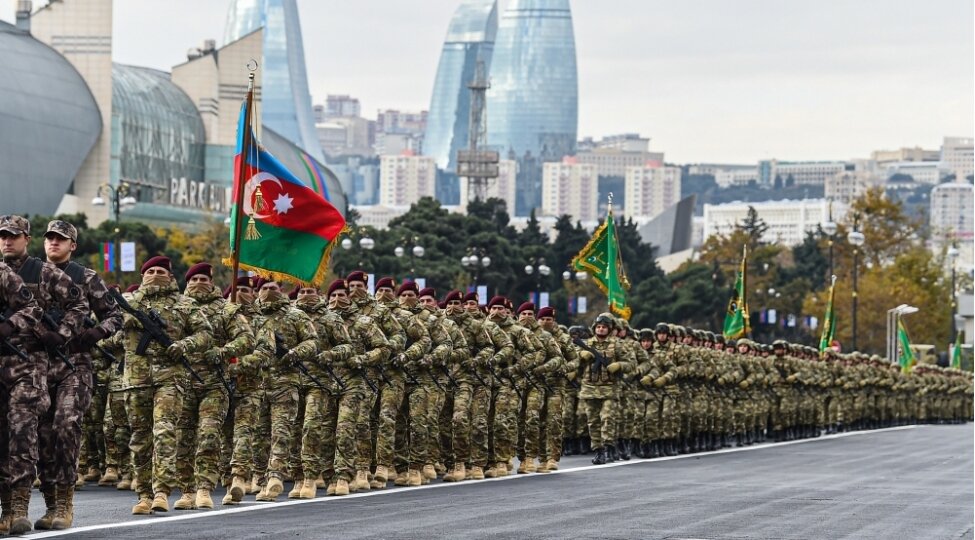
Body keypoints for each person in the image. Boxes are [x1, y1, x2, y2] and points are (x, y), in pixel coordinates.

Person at [0, 215, 88, 534]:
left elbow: (79, 306)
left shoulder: (44, 271)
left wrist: (61, 333)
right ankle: (7, 510)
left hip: (32, 365)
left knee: (27, 433)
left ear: (26, 238)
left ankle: (27, 507)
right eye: (2, 236)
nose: (7, 241)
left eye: (13, 236)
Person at [37, 220, 122, 530]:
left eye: (61, 239)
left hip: (75, 365)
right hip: (37, 366)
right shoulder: (30, 278)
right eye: (49, 239)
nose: (53, 244)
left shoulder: (85, 278)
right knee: (42, 437)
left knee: (65, 426)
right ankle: (50, 505)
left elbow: (114, 315)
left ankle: (65, 503)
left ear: (72, 244)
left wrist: (95, 332)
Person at [121, 255, 212, 515]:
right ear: (142, 276)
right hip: (135, 379)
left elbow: (204, 333)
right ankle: (143, 494)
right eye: (150, 271)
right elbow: (107, 322)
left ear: (171, 276)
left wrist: (183, 345)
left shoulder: (185, 304)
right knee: (139, 438)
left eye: (161, 271)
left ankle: (161, 491)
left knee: (164, 432)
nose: (155, 275)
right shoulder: (130, 302)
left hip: (170, 377)